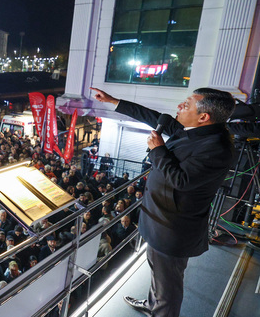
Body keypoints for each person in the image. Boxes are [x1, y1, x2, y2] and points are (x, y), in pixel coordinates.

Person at [91, 87, 236, 317]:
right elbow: (152, 116)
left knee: (168, 288)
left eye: (186, 105)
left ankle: (161, 310)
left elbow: (182, 181)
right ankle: (152, 304)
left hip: (173, 228)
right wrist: (113, 101)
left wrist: (158, 150)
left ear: (204, 117)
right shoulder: (197, 131)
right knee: (158, 275)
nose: (179, 107)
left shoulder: (217, 148)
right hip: (160, 220)